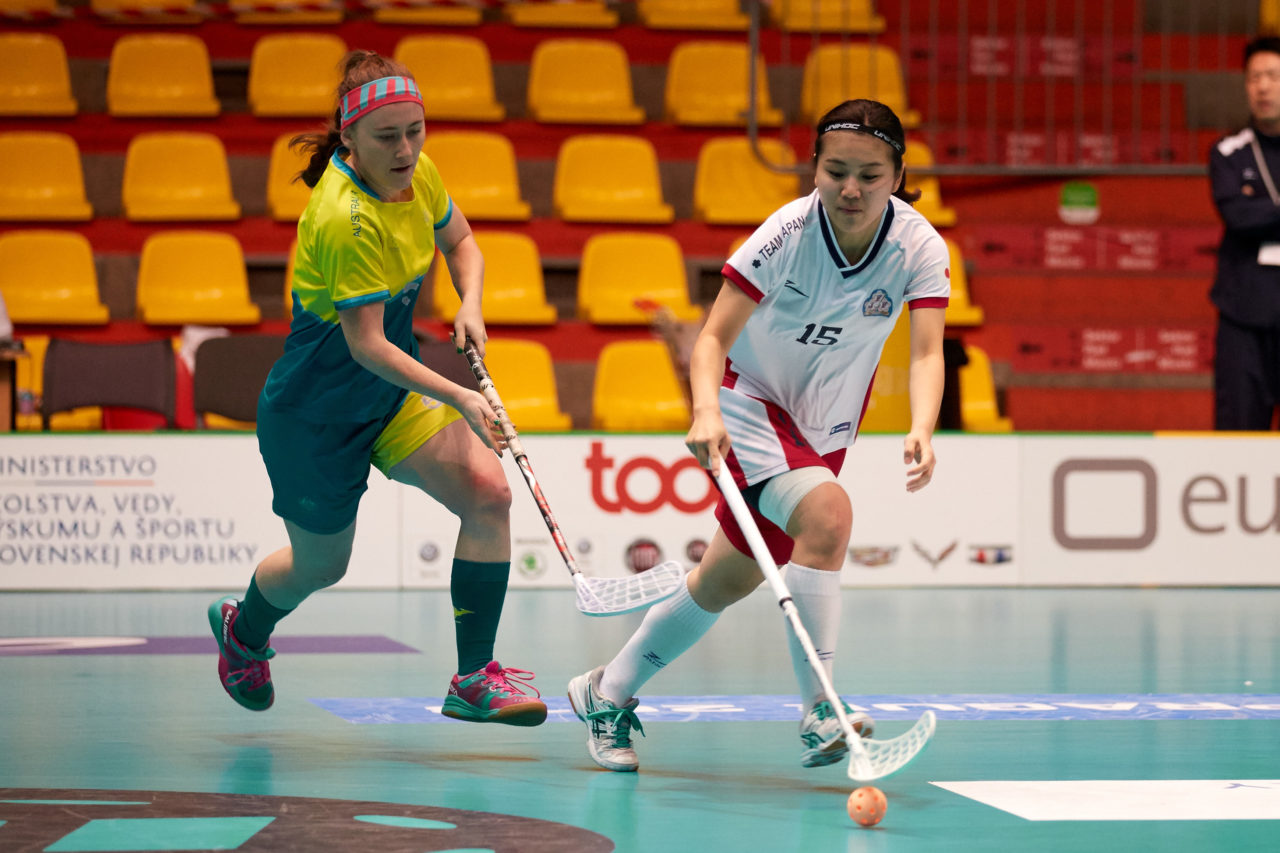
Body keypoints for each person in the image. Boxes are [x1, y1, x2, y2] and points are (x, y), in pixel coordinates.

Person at [567, 99, 950, 772]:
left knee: (723, 579)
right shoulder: (784, 234)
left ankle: (606, 690)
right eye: (836, 171)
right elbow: (711, 337)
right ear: (814, 169)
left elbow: (925, 352)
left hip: (823, 429)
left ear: (897, 173)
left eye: (869, 173)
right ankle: (820, 708)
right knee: (827, 516)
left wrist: (922, 424)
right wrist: (706, 409)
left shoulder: (918, 247)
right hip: (750, 406)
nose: (851, 188)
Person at [207, 51, 547, 727]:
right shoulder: (342, 218)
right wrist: (461, 395)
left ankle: (474, 677)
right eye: (388, 136)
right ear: (350, 136)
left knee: (489, 493)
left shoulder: (418, 175)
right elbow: (366, 345)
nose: (405, 149)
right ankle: (244, 631)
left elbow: (465, 243)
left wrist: (470, 301)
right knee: (321, 566)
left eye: (415, 131)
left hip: (386, 398)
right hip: (314, 417)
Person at [1210, 36, 1280, 430]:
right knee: (1237, 438)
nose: (1263, 87)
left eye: (1272, 76)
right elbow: (1239, 216)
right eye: (1254, 78)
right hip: (1244, 318)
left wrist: (1265, 211)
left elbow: (1256, 214)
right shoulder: (1228, 152)